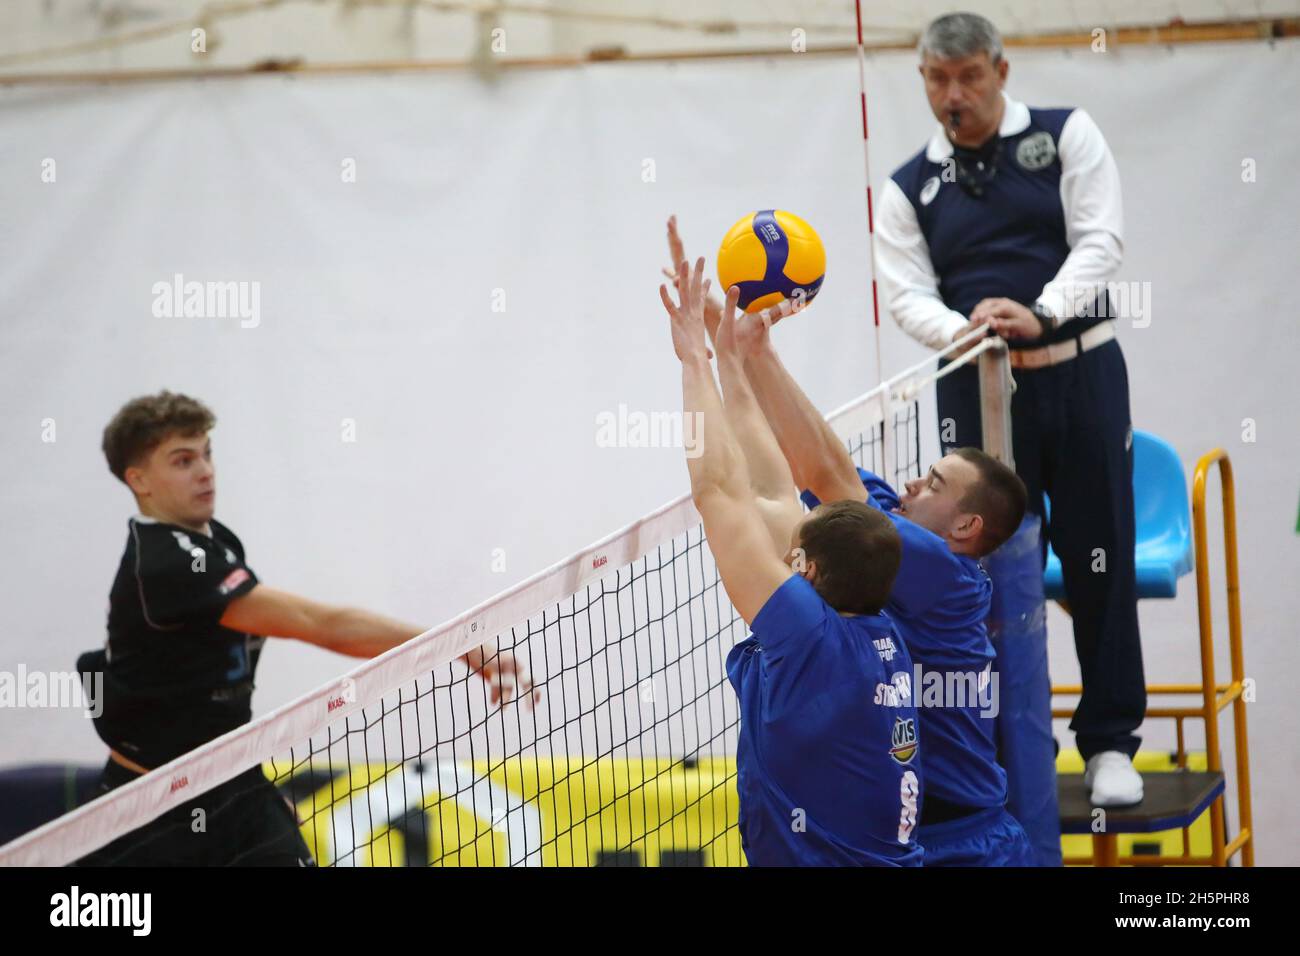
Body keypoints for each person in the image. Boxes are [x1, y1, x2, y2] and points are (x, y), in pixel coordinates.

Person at [663, 218, 1031, 866]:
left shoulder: (931, 578)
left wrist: (704, 354)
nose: (910, 483)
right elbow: (786, 486)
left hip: (964, 842)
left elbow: (757, 489)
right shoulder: (878, 592)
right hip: (909, 838)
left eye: (935, 481)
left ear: (966, 528)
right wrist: (739, 352)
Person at [76, 390, 534, 866]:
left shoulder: (215, 540)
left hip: (231, 784)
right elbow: (324, 625)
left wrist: (251, 796)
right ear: (139, 479)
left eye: (207, 453)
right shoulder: (166, 562)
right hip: (154, 806)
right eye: (183, 460)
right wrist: (460, 646)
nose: (205, 470)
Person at [875, 12, 1145, 807]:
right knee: (974, 571)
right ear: (923, 78)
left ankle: (1109, 744)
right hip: (973, 382)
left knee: (1101, 555)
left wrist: (1040, 311)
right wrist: (970, 331)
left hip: (1078, 372)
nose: (953, 94)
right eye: (937, 79)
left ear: (1000, 68)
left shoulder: (1066, 136)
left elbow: (1101, 242)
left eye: (968, 77)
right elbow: (905, 294)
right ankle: (993, 753)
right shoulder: (905, 186)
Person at [659, 258, 923, 866]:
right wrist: (730, 362)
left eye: (796, 549)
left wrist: (693, 361)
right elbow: (774, 495)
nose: (784, 543)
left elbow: (720, 494)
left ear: (807, 572)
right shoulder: (882, 631)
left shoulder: (808, 636)